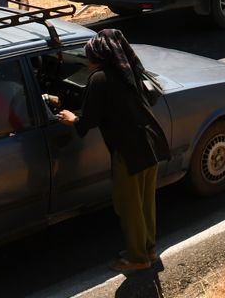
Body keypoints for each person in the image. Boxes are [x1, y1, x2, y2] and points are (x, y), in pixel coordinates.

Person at [57, 29, 170, 273]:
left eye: (89, 55)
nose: (87, 59)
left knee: (128, 207)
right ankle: (148, 249)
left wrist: (70, 118)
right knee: (145, 204)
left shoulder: (100, 79)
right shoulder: (129, 71)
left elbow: (88, 121)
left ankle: (138, 258)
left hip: (128, 152)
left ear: (99, 56)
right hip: (150, 144)